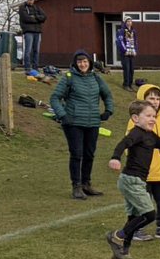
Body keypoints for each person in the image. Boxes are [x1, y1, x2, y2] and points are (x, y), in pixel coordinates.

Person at [106, 100, 160, 259]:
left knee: (133, 217)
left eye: (154, 116)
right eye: (148, 116)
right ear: (135, 118)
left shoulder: (150, 135)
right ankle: (117, 236)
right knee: (149, 215)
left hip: (137, 181)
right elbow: (123, 143)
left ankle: (123, 254)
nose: (152, 119)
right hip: (131, 180)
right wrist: (115, 157)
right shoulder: (136, 132)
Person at [49, 50, 114, 200]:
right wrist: (62, 115)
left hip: (92, 122)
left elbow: (107, 95)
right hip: (73, 122)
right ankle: (76, 186)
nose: (82, 64)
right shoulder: (69, 78)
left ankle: (86, 183)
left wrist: (108, 111)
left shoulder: (96, 78)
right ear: (75, 63)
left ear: (89, 62)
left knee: (89, 154)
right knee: (77, 154)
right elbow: (55, 98)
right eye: (79, 62)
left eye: (85, 61)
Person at [124, 84, 160, 240]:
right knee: (142, 203)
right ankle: (137, 230)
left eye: (157, 98)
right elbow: (129, 144)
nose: (155, 101)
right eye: (150, 98)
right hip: (144, 172)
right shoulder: (136, 121)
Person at [18, 0, 46, 72]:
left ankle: (35, 68)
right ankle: (27, 68)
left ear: (34, 0)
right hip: (28, 32)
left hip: (37, 32)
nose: (30, 1)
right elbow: (25, 18)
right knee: (28, 50)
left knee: (36, 50)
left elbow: (44, 17)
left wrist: (35, 17)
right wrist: (37, 19)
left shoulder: (37, 8)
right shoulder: (22, 7)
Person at [115, 18, 137, 91]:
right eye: (128, 21)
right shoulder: (121, 31)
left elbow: (135, 42)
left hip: (132, 53)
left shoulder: (133, 31)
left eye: (130, 21)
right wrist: (125, 50)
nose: (129, 22)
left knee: (131, 69)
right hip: (125, 53)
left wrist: (135, 50)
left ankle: (130, 84)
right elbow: (120, 41)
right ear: (125, 22)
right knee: (126, 69)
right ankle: (126, 85)